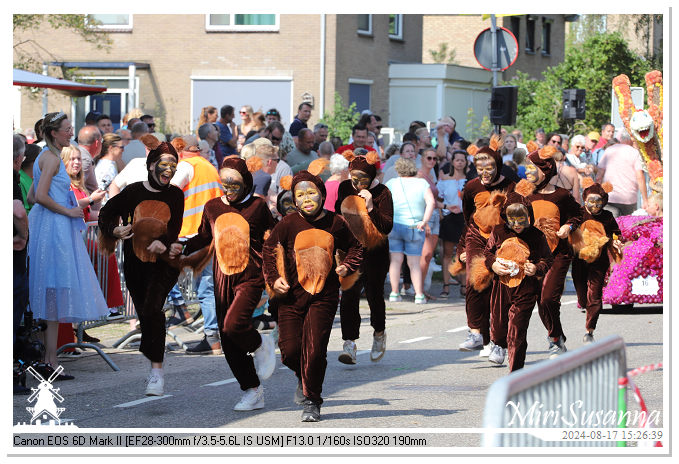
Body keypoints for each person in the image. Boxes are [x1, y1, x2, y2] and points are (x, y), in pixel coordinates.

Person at [171, 157, 277, 410]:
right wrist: (182, 246)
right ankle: (252, 390)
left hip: (250, 276)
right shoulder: (212, 207)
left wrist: (277, 272)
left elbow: (273, 238)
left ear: (245, 183)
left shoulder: (257, 207)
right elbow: (204, 237)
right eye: (224, 184)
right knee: (228, 341)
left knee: (233, 325)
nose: (228, 190)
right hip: (222, 278)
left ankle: (261, 344)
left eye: (234, 184)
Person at [262, 167, 363, 422]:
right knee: (290, 350)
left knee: (316, 350)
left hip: (324, 295)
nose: (307, 199)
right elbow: (268, 252)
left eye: (312, 193)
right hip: (291, 297)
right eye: (300, 195)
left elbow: (356, 247)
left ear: (321, 194)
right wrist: (275, 279)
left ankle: (312, 400)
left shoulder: (336, 223)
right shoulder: (287, 224)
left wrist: (346, 265)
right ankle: (303, 376)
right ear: (294, 200)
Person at [97, 134, 184, 395]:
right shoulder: (133, 191)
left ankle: (157, 372)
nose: (168, 171)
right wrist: (115, 230)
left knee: (152, 308)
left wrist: (165, 242)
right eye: (164, 165)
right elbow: (106, 212)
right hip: (135, 261)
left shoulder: (176, 195)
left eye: (173, 166)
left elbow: (175, 227)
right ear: (151, 165)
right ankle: (152, 353)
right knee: (145, 313)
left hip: (164, 264)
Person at [26, 112, 109, 379]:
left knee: (49, 293)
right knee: (52, 292)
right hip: (54, 230)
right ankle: (49, 364)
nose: (70, 133)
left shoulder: (44, 157)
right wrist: (68, 210)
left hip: (48, 226)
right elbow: (38, 196)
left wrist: (66, 207)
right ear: (53, 133)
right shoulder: (50, 158)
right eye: (66, 129)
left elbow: (32, 194)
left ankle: (48, 361)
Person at [479, 191, 553, 370]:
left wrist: (537, 268)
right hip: (501, 287)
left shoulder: (536, 235)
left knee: (517, 331)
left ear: (529, 216)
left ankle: (516, 371)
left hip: (526, 289)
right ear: (506, 217)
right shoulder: (498, 231)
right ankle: (498, 344)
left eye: (522, 220)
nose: (517, 225)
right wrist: (493, 265)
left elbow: (547, 259)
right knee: (497, 326)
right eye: (513, 220)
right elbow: (488, 252)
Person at [521, 144, 583, 358]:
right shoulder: (524, 196)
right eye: (527, 167)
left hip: (558, 254)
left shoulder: (562, 195)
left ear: (545, 170)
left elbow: (578, 214)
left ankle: (554, 339)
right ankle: (557, 336)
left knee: (548, 298)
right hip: (533, 255)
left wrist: (569, 227)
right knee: (540, 299)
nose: (528, 172)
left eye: (533, 167)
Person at [458, 135, 516, 354]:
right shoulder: (471, 186)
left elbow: (517, 215)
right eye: (480, 168)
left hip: (501, 238)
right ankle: (474, 332)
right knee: (475, 282)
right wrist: (463, 247)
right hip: (476, 236)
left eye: (489, 168)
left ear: (497, 165)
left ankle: (494, 339)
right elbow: (467, 217)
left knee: (497, 290)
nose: (485, 173)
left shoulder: (510, 185)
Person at [335, 149, 393, 364]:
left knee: (373, 294)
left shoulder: (383, 193)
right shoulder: (344, 187)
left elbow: (387, 226)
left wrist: (370, 207)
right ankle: (349, 343)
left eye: (364, 179)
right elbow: (338, 212)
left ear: (374, 177)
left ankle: (379, 333)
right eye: (354, 178)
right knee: (349, 294)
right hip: (351, 249)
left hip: (375, 251)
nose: (358, 182)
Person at [166, 136, 223, 350]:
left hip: (194, 235)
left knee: (205, 287)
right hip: (212, 234)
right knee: (209, 286)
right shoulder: (208, 167)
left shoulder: (185, 167)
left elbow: (168, 193)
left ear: (179, 151)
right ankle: (214, 335)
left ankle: (211, 338)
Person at [570, 178, 622, 344]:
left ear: (604, 202)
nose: (594, 205)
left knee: (595, 295)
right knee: (582, 296)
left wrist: (616, 241)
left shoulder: (607, 216)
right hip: (579, 259)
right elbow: (570, 227)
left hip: (599, 261)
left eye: (598, 201)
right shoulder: (579, 213)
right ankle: (583, 303)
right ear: (585, 200)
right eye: (590, 201)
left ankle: (589, 331)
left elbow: (616, 233)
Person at [385, 157, 435, 304]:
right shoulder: (422, 183)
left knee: (395, 261)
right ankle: (419, 295)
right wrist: (425, 221)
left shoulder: (392, 183)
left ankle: (394, 293)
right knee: (414, 263)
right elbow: (431, 202)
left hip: (395, 225)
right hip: (414, 226)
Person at [437, 150, 468, 298]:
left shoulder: (469, 180)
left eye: (463, 160)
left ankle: (464, 285)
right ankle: (446, 285)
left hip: (464, 218)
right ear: (453, 162)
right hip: (450, 217)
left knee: (463, 253)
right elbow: (439, 199)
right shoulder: (445, 181)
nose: (460, 162)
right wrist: (442, 213)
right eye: (457, 160)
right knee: (447, 253)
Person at [596, 130, 647, 217]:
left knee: (610, 226)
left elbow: (599, 175)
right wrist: (645, 200)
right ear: (630, 139)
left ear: (620, 139)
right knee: (626, 227)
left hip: (610, 196)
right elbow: (640, 177)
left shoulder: (609, 150)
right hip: (629, 198)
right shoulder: (635, 153)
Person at [417, 147, 442, 299]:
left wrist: (441, 208)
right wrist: (424, 221)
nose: (432, 161)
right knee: (425, 255)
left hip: (435, 215)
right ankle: (419, 289)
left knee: (429, 255)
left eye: (434, 158)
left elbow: (434, 200)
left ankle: (422, 288)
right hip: (426, 216)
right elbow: (421, 200)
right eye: (429, 158)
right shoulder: (420, 176)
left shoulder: (431, 174)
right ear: (422, 159)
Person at [94, 133, 125, 200]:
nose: (123, 150)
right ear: (111, 148)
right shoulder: (106, 167)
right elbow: (102, 192)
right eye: (121, 147)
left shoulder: (110, 164)